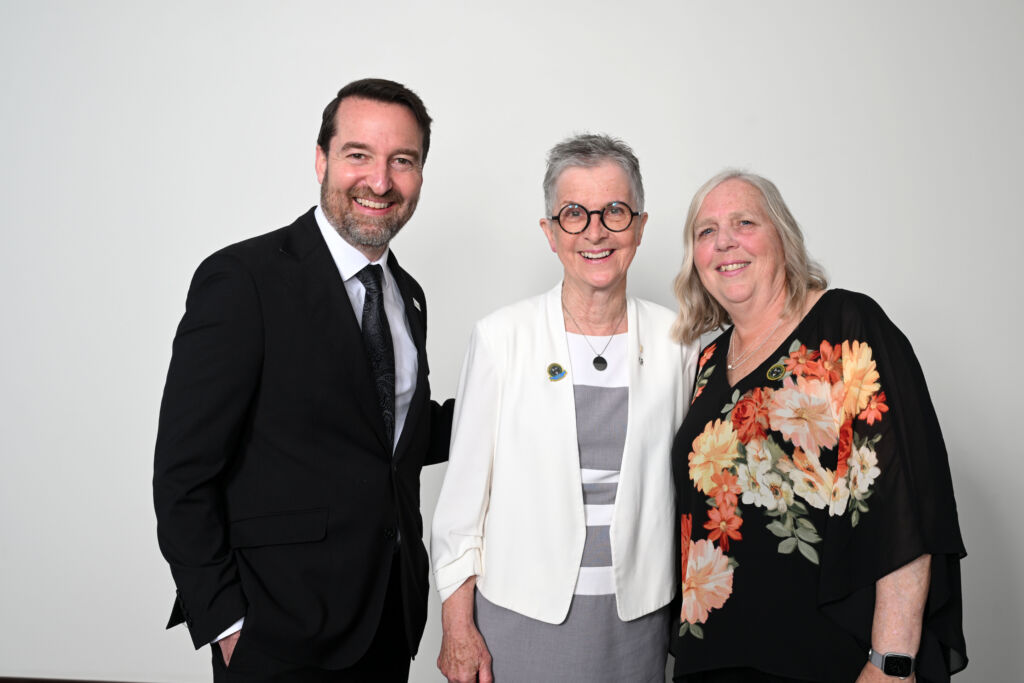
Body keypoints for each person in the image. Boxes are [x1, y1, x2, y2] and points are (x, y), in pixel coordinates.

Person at [153, 78, 454, 682]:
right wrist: (226, 622)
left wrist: (521, 395)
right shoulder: (243, 280)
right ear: (321, 159)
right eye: (359, 155)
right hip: (275, 633)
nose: (380, 181)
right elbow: (183, 472)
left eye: (403, 160)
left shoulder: (407, 295)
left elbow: (394, 439)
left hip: (387, 621)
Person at [668, 170, 967, 682]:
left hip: (830, 661)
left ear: (782, 236)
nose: (725, 242)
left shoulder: (846, 325)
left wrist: (891, 662)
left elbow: (905, 500)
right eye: (706, 231)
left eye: (745, 222)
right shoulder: (707, 363)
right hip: (712, 658)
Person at [430, 134, 699, 682]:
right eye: (574, 214)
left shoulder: (679, 342)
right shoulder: (502, 338)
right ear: (550, 232)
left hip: (638, 621)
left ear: (640, 227)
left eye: (615, 211)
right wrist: (457, 628)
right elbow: (461, 506)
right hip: (521, 617)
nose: (595, 232)